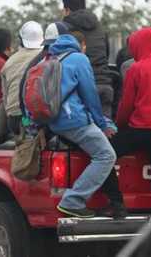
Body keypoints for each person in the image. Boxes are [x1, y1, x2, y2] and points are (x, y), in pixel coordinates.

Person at [101, 27, 151, 217]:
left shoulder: (136, 69)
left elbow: (126, 105)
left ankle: (117, 203)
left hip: (141, 129)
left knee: (103, 153)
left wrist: (119, 126)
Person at [48, 34, 116, 218]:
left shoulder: (51, 59)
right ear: (81, 45)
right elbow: (90, 94)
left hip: (53, 121)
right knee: (106, 155)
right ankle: (73, 201)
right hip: (72, 119)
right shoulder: (79, 59)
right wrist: (102, 124)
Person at [62, 0, 114, 117]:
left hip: (81, 89)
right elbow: (106, 54)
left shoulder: (66, 28)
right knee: (106, 132)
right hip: (104, 84)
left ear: (67, 10)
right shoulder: (99, 27)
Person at [0, 21, 43, 137]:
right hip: (34, 119)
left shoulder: (8, 63)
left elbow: (5, 99)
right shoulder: (47, 57)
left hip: (14, 121)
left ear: (20, 39)